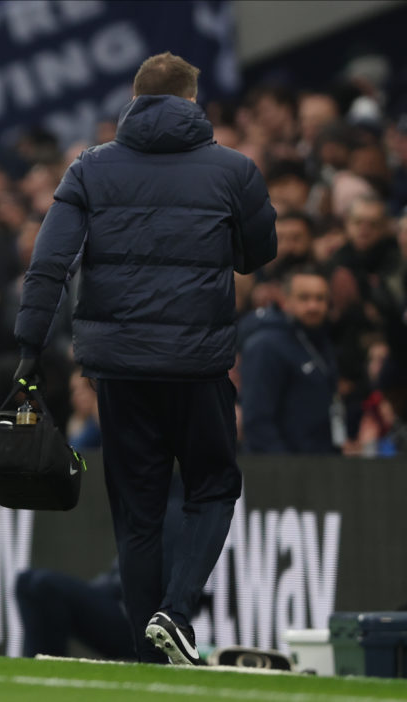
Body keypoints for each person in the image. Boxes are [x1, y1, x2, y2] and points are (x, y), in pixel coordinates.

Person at [14, 52, 277, 665]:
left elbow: (49, 263)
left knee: (137, 515)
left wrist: (30, 350)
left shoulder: (90, 168)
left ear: (134, 100)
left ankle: (146, 662)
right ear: (191, 99)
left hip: (119, 370)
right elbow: (256, 253)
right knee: (213, 487)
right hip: (198, 365)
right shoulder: (234, 169)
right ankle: (176, 611)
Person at [240, 269, 340, 453]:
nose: (313, 306)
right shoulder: (266, 345)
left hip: (321, 463)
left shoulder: (322, 342)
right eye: (304, 298)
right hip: (285, 469)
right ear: (285, 300)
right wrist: (284, 468)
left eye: (320, 298)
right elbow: (257, 418)